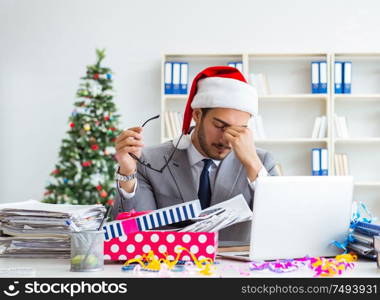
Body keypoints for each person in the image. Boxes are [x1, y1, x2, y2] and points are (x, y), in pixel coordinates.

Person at [113, 66, 278, 241]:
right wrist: (127, 174)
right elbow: (132, 233)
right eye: (220, 126)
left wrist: (253, 165)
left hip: (234, 267)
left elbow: (279, 225)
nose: (227, 139)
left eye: (240, 130)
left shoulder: (260, 162)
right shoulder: (149, 160)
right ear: (197, 115)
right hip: (169, 265)